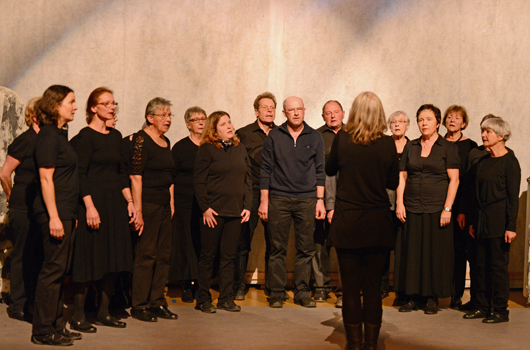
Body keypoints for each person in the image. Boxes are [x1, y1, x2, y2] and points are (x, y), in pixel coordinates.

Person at [326, 91, 399, 350]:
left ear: (353, 112)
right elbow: (392, 182)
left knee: (350, 288)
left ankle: (354, 344)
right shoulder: (388, 144)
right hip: (377, 223)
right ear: (379, 114)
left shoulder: (343, 139)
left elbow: (329, 169)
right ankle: (372, 343)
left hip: (348, 223)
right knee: (372, 289)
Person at [69, 87, 136, 332]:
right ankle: (78, 316)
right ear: (93, 108)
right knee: (88, 260)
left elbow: (121, 174)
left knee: (113, 260)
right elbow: (80, 175)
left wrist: (130, 202)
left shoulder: (116, 137)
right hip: (92, 204)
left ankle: (104, 313)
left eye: (113, 103)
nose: (111, 107)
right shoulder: (84, 138)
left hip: (115, 206)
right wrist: (89, 207)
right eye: (106, 103)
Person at [259, 96, 326, 308]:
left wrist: (320, 201)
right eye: (291, 110)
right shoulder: (274, 136)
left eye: (299, 109)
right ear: (284, 113)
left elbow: (320, 172)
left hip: (307, 199)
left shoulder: (315, 137)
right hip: (278, 199)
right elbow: (265, 170)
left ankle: (302, 291)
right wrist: (264, 201)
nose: (296, 113)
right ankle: (277, 292)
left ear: (304, 111)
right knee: (277, 248)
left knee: (306, 249)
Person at [394, 104, 460, 315]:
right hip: (412, 207)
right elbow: (402, 177)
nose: (424, 123)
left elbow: (454, 180)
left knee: (434, 253)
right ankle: (412, 296)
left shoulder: (448, 148)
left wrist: (447, 208)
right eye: (421, 119)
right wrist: (399, 203)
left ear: (438, 123)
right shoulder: (411, 146)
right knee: (412, 253)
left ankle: (431, 298)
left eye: (428, 119)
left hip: (436, 208)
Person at [31, 85, 81, 345]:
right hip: (54, 213)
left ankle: (57, 325)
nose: (75, 106)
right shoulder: (49, 136)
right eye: (71, 102)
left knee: (60, 271)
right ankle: (42, 331)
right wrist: (54, 217)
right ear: (55, 106)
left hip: (65, 212)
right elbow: (45, 179)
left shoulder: (60, 135)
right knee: (52, 271)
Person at [193, 111, 252, 313]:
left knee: (229, 257)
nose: (229, 126)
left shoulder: (240, 148)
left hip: (235, 212)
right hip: (213, 212)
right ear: (214, 130)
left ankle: (226, 298)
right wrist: (205, 208)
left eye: (230, 121)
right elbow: (198, 181)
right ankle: (203, 298)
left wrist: (247, 205)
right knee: (208, 256)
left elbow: (248, 180)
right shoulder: (207, 150)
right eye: (223, 124)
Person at [463, 117, 520, 323]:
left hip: (498, 223)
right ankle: (481, 306)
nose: (483, 135)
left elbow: (513, 198)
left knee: (497, 268)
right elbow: (474, 194)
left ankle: (500, 310)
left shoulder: (510, 163)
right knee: (479, 265)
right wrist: (472, 221)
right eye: (483, 131)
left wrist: (510, 226)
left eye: (488, 131)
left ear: (501, 136)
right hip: (479, 222)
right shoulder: (482, 162)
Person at [129, 97, 177, 322]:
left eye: (170, 115)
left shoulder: (166, 141)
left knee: (163, 254)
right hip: (146, 203)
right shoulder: (140, 140)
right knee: (146, 254)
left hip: (163, 204)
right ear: (150, 118)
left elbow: (170, 177)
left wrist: (172, 202)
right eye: (163, 115)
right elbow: (135, 177)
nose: (168, 119)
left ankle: (158, 301)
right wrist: (138, 211)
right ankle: (139, 305)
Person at [0, 97, 42, 322]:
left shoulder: (46, 141)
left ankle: (32, 301)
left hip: (39, 205)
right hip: (22, 205)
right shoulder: (25, 141)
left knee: (35, 254)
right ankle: (17, 304)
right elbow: (5, 173)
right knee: (22, 253)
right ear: (35, 116)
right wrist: (11, 195)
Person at [233, 92, 277, 301]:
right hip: (251, 192)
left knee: (275, 243)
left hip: (276, 193)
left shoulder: (283, 134)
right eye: (265, 107)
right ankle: (238, 286)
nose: (269, 111)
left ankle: (272, 287)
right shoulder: (243, 133)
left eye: (272, 107)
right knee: (243, 242)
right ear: (256, 111)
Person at [442, 105, 478, 308]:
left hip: (460, 205)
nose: (452, 120)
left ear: (464, 123)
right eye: (449, 117)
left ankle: (456, 293)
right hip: (438, 203)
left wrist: (462, 210)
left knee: (458, 250)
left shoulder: (471, 146)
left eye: (457, 118)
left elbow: (469, 182)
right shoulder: (437, 142)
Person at [169, 106, 206, 303]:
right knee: (185, 243)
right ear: (187, 124)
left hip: (205, 204)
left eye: (203, 119)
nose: (201, 122)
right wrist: (172, 203)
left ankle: (201, 284)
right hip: (183, 203)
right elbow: (171, 178)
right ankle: (185, 283)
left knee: (202, 243)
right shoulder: (180, 148)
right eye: (196, 119)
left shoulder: (210, 146)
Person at [312, 100, 344, 305]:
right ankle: (320, 287)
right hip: (319, 199)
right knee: (319, 246)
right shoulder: (316, 136)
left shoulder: (352, 135)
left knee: (344, 248)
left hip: (345, 201)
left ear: (343, 113)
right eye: (328, 113)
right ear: (323, 116)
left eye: (336, 112)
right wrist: (319, 200)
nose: (332, 116)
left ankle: (344, 290)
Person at [382, 111, 410, 299]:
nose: (397, 124)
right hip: (384, 201)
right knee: (383, 246)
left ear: (408, 125)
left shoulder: (414, 146)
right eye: (394, 122)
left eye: (401, 122)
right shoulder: (384, 145)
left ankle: (402, 288)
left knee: (403, 246)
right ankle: (382, 286)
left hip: (406, 202)